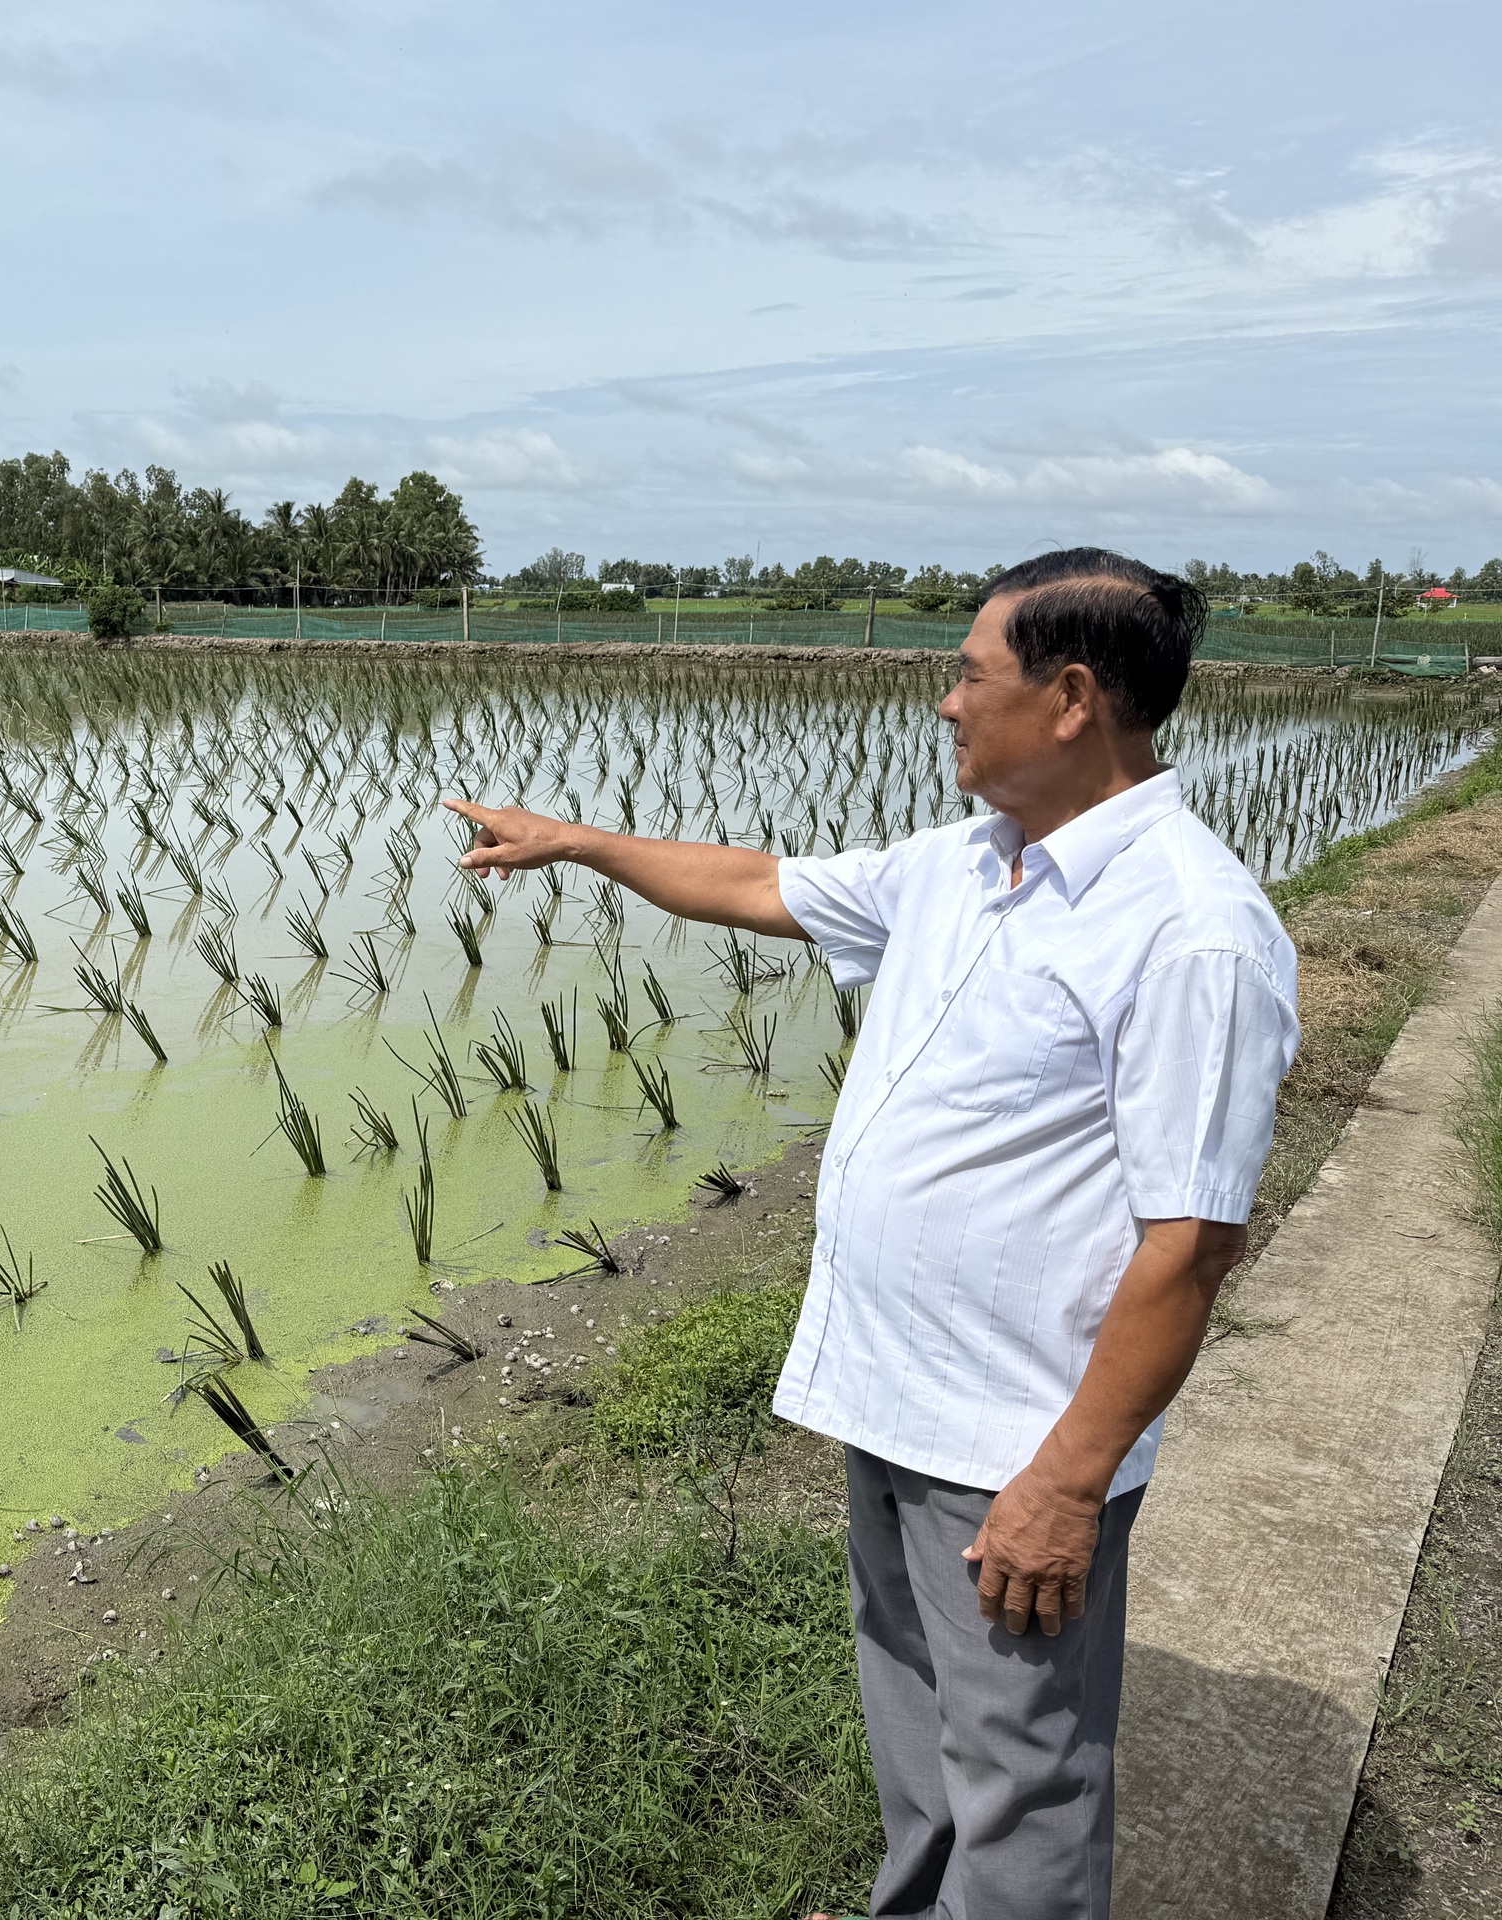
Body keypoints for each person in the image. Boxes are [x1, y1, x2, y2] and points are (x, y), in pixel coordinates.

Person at [445, 548, 1297, 1920]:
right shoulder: (965, 864)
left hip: (1015, 1438)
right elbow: (757, 885)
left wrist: (1066, 1486)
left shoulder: (1192, 933)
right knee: (919, 1734)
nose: (947, 704)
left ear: (1072, 697)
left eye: (971, 675)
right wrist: (582, 842)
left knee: (1023, 1783)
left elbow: (1190, 1247)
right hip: (897, 1398)